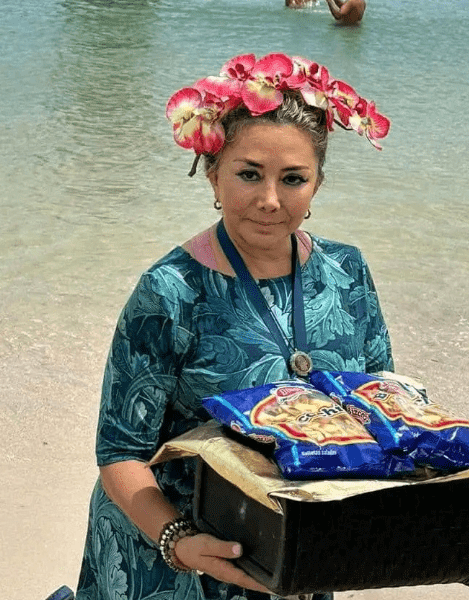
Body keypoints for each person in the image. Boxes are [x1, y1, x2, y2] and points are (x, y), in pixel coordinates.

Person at [76, 53, 392, 600]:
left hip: (300, 555)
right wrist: (179, 539)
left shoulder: (348, 273)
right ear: (213, 172)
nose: (270, 200)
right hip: (170, 559)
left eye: (293, 178)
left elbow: (381, 406)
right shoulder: (170, 291)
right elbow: (120, 452)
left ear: (317, 183)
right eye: (249, 174)